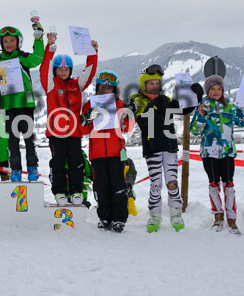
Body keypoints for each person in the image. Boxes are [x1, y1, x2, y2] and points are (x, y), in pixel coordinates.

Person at [128, 64, 203, 232]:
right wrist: (152, 105)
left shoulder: (166, 99)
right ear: (143, 84)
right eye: (151, 83)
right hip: (152, 146)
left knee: (172, 182)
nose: (155, 86)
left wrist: (195, 96)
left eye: (157, 83)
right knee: (156, 183)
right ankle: (155, 215)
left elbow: (182, 109)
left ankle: (176, 214)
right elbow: (141, 120)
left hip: (169, 145)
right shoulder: (138, 100)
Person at [190, 75, 244, 234]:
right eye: (212, 89)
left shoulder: (230, 107)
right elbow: (194, 130)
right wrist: (202, 114)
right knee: (214, 185)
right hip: (209, 152)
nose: (216, 92)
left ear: (223, 90)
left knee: (229, 185)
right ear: (207, 91)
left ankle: (232, 218)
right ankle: (218, 216)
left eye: (219, 89)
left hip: (227, 152)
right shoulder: (202, 107)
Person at [40, 31, 97, 205]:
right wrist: (50, 48)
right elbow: (44, 68)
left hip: (74, 133)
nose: (63, 71)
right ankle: (59, 192)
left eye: (66, 69)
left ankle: (76, 191)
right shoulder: (50, 85)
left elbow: (89, 72)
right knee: (57, 164)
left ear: (70, 70)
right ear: (55, 70)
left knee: (76, 163)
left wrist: (92, 53)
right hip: (56, 133)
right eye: (59, 68)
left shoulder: (76, 85)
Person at [80, 71, 133, 232]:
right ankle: (104, 217)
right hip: (97, 154)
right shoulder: (89, 104)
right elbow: (83, 130)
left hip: (116, 152)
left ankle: (119, 218)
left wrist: (131, 113)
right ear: (97, 88)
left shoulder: (119, 104)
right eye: (102, 87)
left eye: (109, 88)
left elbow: (127, 128)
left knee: (118, 186)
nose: (105, 90)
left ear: (115, 89)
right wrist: (86, 117)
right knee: (101, 187)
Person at [0, 21, 44, 182]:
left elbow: (37, 59)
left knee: (28, 138)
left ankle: (32, 166)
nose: (8, 44)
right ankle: (15, 169)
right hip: (8, 106)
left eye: (12, 41)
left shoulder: (24, 58)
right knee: (13, 141)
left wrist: (39, 40)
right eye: (5, 41)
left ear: (18, 42)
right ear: (1, 43)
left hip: (25, 104)